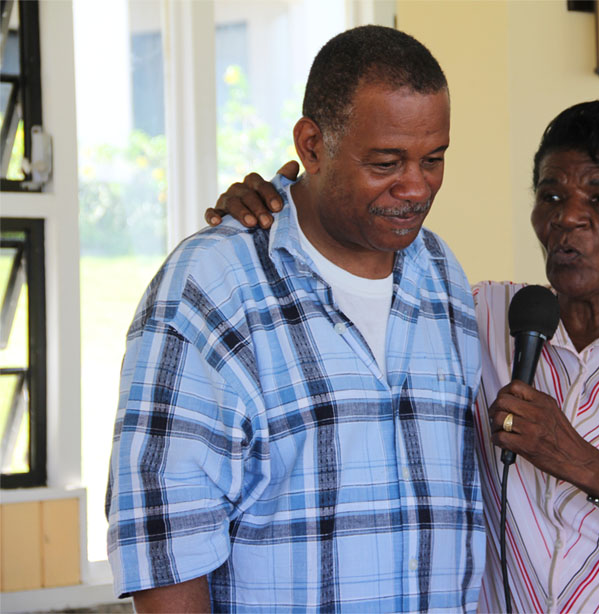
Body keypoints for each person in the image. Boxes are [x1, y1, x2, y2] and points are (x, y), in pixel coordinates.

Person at [211, 96, 599, 611]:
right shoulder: (478, 315)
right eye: (551, 196)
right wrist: (282, 204)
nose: (567, 218)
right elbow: (361, 260)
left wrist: (587, 466)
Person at [106, 26, 484, 613]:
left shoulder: (443, 276)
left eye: (433, 160)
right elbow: (167, 539)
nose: (416, 187)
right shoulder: (211, 287)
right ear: (311, 145)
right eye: (386, 162)